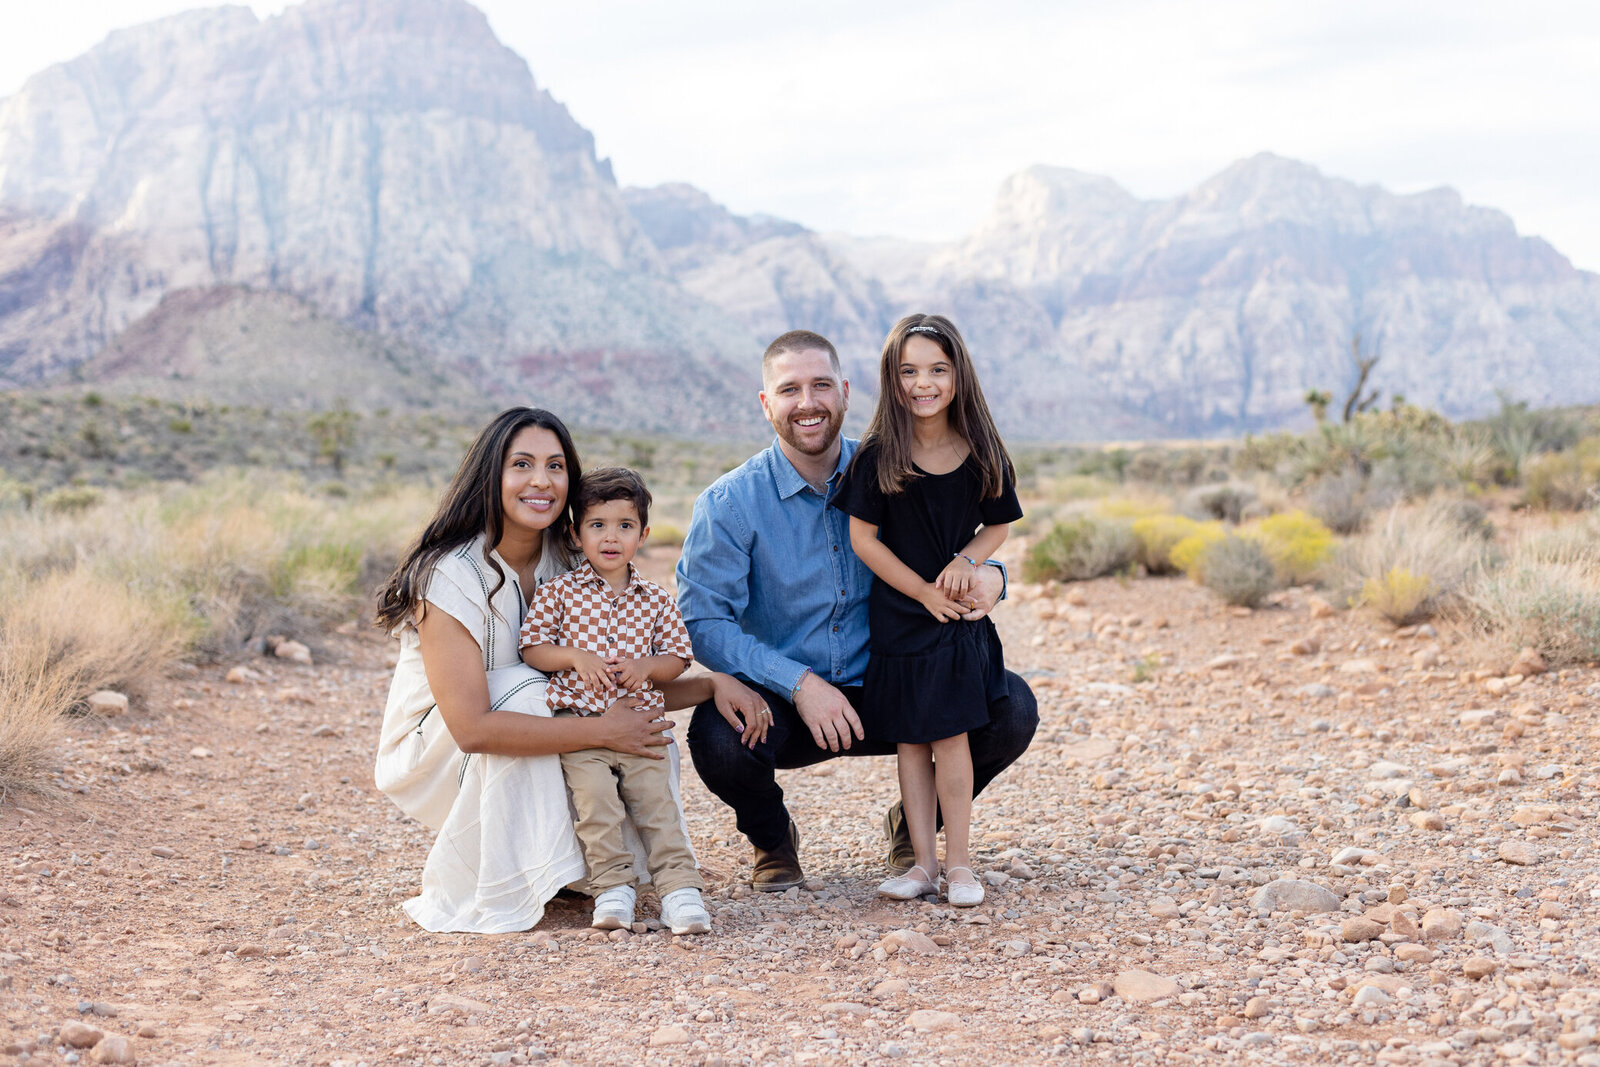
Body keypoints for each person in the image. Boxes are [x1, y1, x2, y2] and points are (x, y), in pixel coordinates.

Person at [373, 408, 768, 933]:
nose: (541, 480)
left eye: (556, 466)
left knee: (637, 722)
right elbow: (471, 729)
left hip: (538, 714)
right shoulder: (449, 574)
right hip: (440, 747)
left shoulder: (574, 561)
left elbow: (611, 684)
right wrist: (604, 730)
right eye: (522, 464)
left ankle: (604, 876)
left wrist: (710, 684)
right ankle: (522, 875)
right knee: (529, 688)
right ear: (491, 475)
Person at [676, 330, 1038, 892]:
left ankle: (914, 831)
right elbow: (705, 624)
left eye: (821, 385)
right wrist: (797, 683)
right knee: (719, 738)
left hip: (898, 678)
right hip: (795, 702)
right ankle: (773, 841)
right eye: (789, 389)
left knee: (1010, 707)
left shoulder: (895, 468)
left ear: (845, 392)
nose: (808, 403)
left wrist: (994, 576)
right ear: (766, 403)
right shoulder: (728, 504)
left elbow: (959, 539)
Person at [831, 314, 1021, 906]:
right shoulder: (878, 455)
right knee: (912, 743)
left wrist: (967, 561)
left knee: (953, 738)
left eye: (938, 369)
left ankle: (960, 866)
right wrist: (921, 592)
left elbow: (1001, 527)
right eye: (909, 370)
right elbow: (865, 541)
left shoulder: (981, 449)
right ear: (893, 378)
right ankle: (921, 866)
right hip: (902, 617)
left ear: (958, 374)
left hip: (958, 619)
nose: (924, 383)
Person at [520, 467, 718, 935]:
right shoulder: (559, 594)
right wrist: (574, 656)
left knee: (658, 805)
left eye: (625, 526)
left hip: (641, 726)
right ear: (575, 533)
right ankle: (614, 889)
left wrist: (648, 668)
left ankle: (679, 890)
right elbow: (532, 648)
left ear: (643, 534)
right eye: (597, 526)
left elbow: (677, 656)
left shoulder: (654, 599)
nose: (611, 538)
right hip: (581, 727)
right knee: (596, 809)